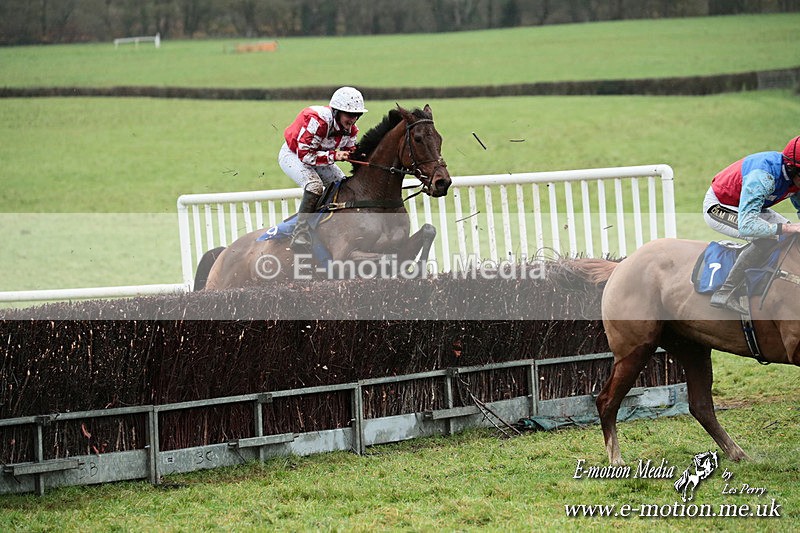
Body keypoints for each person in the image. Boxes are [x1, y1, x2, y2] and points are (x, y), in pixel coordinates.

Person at [702, 134, 800, 314]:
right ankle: (725, 292)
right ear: (793, 170)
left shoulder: (795, 177)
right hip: (720, 205)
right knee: (769, 236)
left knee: (792, 234)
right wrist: (785, 227)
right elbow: (747, 225)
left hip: (748, 207)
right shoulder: (764, 177)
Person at [278, 86, 368, 251]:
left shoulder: (351, 130)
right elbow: (305, 156)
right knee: (314, 186)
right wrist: (335, 156)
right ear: (336, 112)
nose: (353, 119)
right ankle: (300, 233)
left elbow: (351, 152)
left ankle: (326, 223)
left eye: (356, 115)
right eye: (349, 115)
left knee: (341, 185)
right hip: (293, 156)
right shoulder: (317, 121)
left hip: (318, 158)